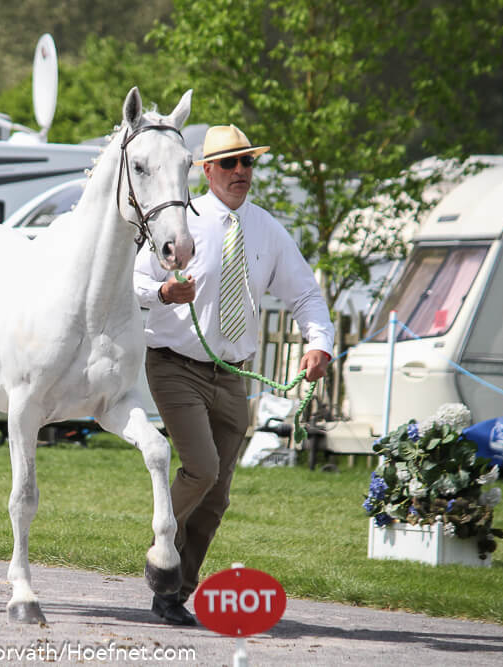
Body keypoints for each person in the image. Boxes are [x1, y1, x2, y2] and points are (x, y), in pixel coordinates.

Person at [133, 124, 334, 626]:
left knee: (218, 495)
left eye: (248, 162)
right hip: (175, 366)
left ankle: (175, 591)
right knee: (201, 468)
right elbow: (132, 280)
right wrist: (162, 293)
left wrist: (319, 343)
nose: (241, 171)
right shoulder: (181, 221)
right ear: (207, 171)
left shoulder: (267, 229)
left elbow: (305, 294)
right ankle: (162, 546)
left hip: (232, 377)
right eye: (230, 163)